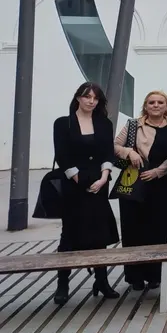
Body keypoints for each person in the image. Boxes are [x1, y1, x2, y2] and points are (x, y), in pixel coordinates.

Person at [52, 83, 120, 305]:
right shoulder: (64, 123)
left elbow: (108, 152)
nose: (91, 101)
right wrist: (77, 178)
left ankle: (101, 281)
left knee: (99, 233)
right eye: (87, 97)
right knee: (69, 233)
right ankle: (63, 283)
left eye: (95, 98)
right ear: (78, 98)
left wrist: (103, 177)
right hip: (74, 183)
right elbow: (62, 154)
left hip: (99, 182)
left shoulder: (104, 123)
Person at [114, 90, 167, 291]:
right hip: (135, 182)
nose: (155, 105)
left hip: (162, 183)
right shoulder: (133, 125)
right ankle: (134, 276)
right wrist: (129, 152)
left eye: (160, 102)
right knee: (132, 230)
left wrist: (159, 171)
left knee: (157, 229)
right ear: (145, 106)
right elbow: (114, 146)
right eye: (151, 102)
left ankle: (154, 274)